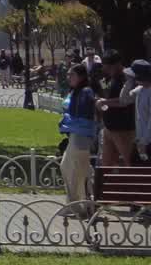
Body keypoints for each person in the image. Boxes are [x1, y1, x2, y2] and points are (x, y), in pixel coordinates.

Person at [58, 64, 97, 218]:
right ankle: (76, 204)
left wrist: (67, 120)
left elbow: (85, 112)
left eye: (72, 75)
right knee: (67, 167)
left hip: (81, 136)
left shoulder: (86, 92)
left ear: (81, 76)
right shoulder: (75, 91)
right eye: (68, 74)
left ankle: (77, 206)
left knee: (76, 171)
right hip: (74, 134)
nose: (69, 77)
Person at [96, 50, 137, 166]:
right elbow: (107, 94)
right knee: (106, 165)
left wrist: (105, 102)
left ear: (117, 64)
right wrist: (101, 100)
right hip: (109, 127)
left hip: (123, 128)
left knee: (128, 162)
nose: (107, 70)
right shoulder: (108, 77)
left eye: (109, 67)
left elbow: (125, 101)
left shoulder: (127, 77)